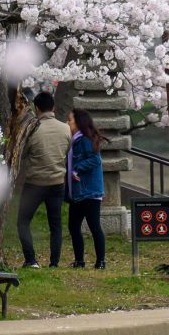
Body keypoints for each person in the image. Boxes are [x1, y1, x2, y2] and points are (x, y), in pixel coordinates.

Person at [17, 91, 71, 268]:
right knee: (55, 224)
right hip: (57, 182)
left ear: (36, 108)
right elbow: (67, 151)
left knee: (23, 221)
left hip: (35, 182)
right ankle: (54, 262)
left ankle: (31, 260)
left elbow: (23, 154)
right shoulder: (65, 128)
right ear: (53, 107)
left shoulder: (32, 129)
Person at [67, 109, 106, 269]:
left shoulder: (83, 140)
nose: (67, 123)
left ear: (78, 123)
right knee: (74, 226)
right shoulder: (76, 139)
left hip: (88, 191)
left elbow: (95, 159)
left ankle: (100, 261)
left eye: (70, 120)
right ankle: (80, 261)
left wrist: (78, 169)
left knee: (94, 226)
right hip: (80, 192)